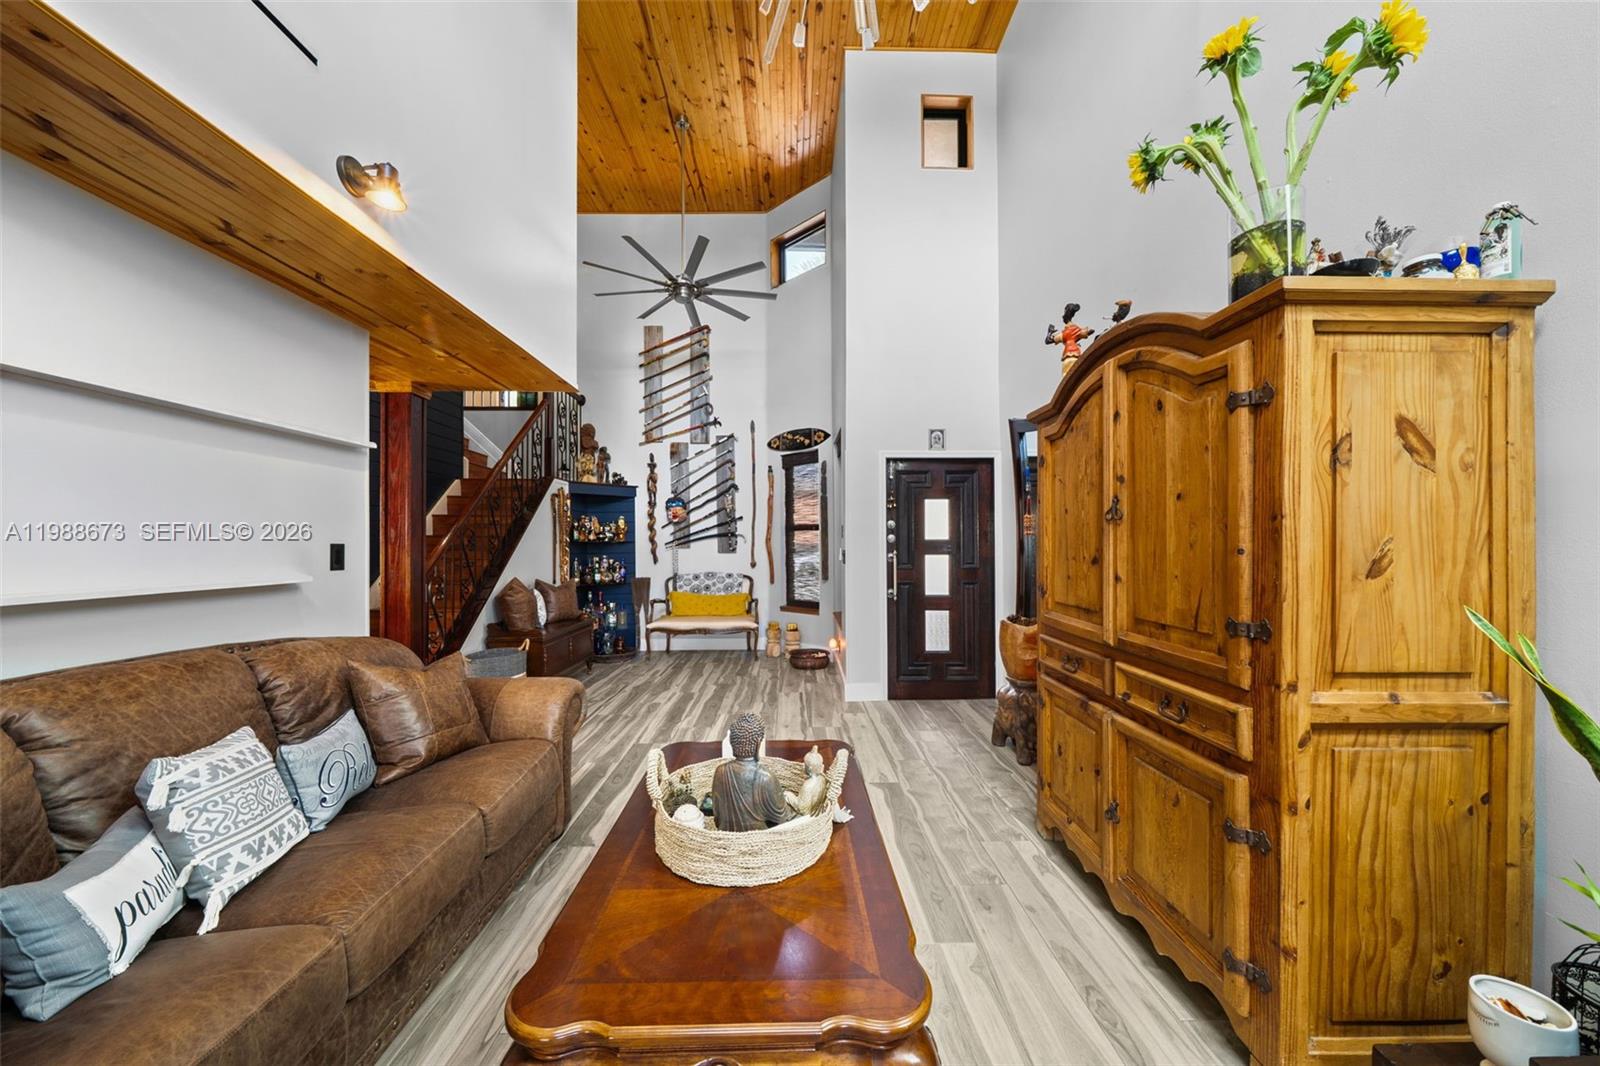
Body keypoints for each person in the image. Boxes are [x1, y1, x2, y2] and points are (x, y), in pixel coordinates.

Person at [710, 713, 791, 832]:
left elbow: (717, 816)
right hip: (757, 839)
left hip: (726, 835)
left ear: (732, 743)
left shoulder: (720, 772)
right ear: (758, 744)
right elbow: (782, 818)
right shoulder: (766, 777)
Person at [1045, 303, 1096, 373]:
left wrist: (1050, 333)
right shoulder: (1076, 329)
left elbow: (1048, 341)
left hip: (1067, 355)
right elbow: (1090, 331)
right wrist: (1078, 337)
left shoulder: (1064, 333)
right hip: (1076, 353)